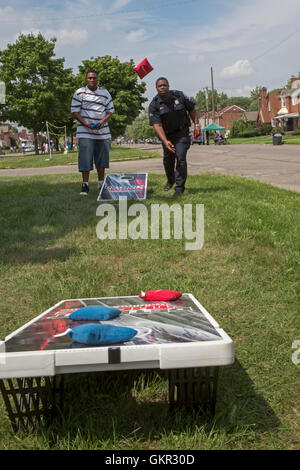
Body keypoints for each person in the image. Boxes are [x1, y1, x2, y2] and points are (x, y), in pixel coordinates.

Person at [148, 77, 199, 196]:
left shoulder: (179, 95)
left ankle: (179, 188)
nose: (162, 87)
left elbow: (191, 109)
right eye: (160, 86)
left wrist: (197, 125)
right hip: (167, 135)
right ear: (156, 88)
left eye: (164, 85)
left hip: (182, 132)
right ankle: (170, 180)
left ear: (168, 86)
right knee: (168, 160)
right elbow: (157, 125)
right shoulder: (154, 104)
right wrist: (165, 141)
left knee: (180, 157)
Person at [71, 69, 114, 195]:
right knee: (85, 158)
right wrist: (86, 124)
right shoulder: (80, 93)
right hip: (85, 131)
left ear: (97, 78)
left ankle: (101, 184)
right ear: (86, 79)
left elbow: (110, 111)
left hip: (103, 132)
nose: (92, 80)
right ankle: (85, 185)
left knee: (102, 159)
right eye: (89, 78)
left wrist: (102, 122)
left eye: (94, 78)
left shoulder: (105, 93)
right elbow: (75, 111)